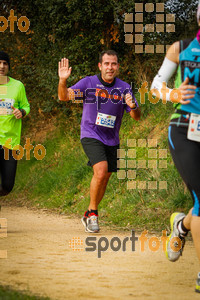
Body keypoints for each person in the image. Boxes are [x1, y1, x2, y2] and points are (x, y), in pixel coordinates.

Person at [58, 50, 140, 233]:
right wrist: (63, 81)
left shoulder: (124, 87)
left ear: (118, 66)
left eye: (114, 64)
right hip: (90, 133)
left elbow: (136, 117)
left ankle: (88, 213)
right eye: (106, 64)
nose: (110, 67)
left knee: (105, 178)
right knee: (101, 171)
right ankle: (94, 214)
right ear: (100, 66)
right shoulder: (88, 83)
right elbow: (64, 96)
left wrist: (133, 106)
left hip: (112, 138)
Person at [151, 2, 200, 293]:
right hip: (184, 130)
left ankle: (181, 225)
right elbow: (156, 84)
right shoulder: (181, 48)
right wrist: (173, 93)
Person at [0, 51, 30, 198]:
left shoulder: (18, 86)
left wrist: (21, 112)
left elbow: (26, 106)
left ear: (9, 66)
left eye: (5, 63)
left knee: (7, 185)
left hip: (10, 143)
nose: (2, 66)